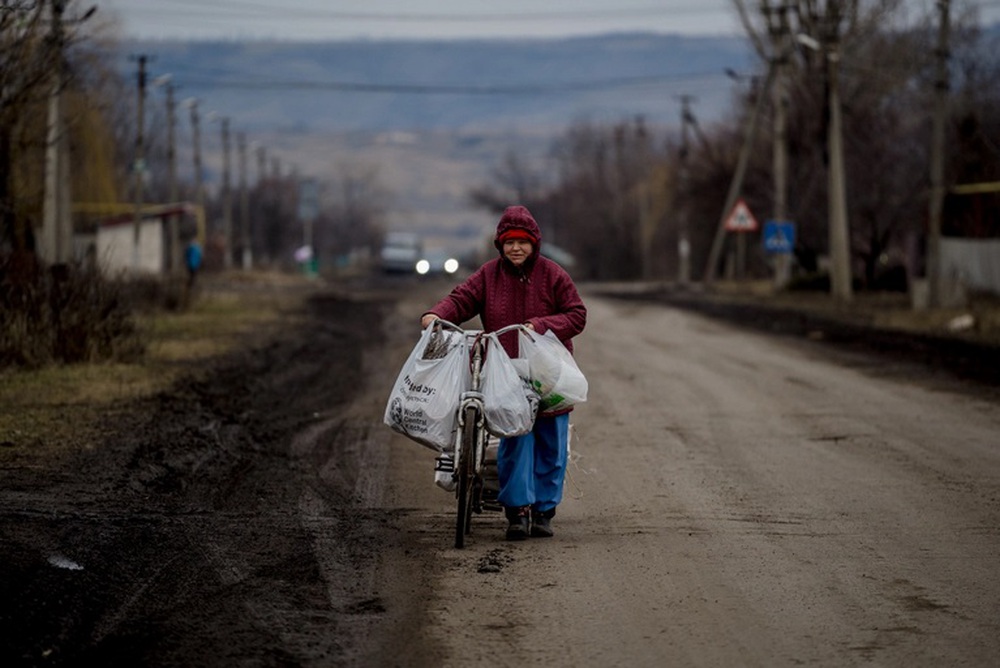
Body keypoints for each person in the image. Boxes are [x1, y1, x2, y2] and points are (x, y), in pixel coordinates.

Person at [420, 205, 587, 541]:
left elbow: (576, 315)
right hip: (506, 373)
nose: (516, 248)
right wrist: (435, 315)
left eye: (522, 242)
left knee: (551, 444)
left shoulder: (553, 275)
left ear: (534, 244)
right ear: (500, 244)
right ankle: (518, 512)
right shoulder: (488, 276)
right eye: (509, 242)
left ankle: (544, 511)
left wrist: (541, 325)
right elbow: (461, 299)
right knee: (515, 440)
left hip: (549, 374)